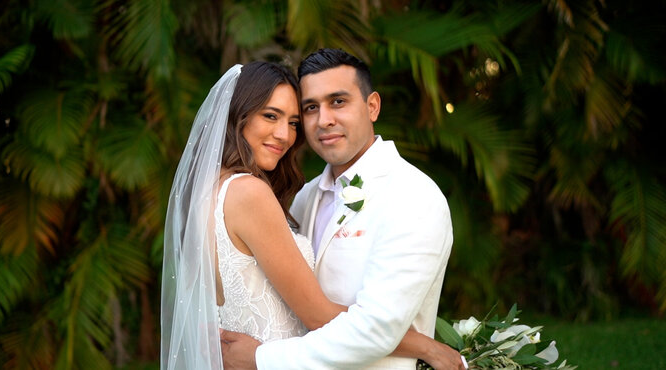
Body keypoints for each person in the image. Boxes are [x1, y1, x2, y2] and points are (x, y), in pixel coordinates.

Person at [162, 60, 461, 370]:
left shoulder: (412, 195)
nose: (284, 134)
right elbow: (316, 314)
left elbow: (373, 325)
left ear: (372, 107)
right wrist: (425, 345)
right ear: (237, 115)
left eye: (292, 121)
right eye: (271, 115)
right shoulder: (258, 194)